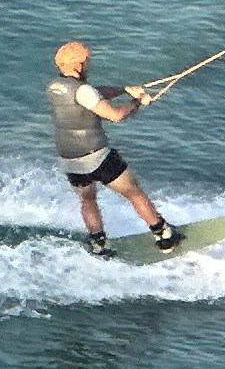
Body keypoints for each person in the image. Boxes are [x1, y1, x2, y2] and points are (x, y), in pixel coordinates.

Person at [46, 39, 180, 257]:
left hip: (69, 159)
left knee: (88, 198)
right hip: (96, 156)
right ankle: (164, 235)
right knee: (133, 192)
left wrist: (124, 90)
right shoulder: (84, 90)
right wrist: (137, 102)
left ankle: (99, 245)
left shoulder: (54, 88)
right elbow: (115, 116)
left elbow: (92, 93)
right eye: (87, 61)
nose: (88, 64)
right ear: (80, 65)